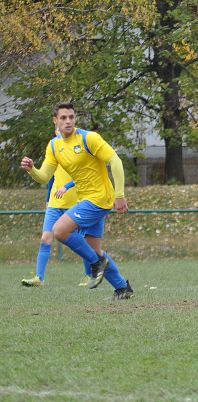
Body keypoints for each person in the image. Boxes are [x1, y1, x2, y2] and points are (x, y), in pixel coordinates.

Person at [20, 103, 134, 299]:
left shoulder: (89, 138)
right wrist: (32, 169)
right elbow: (45, 176)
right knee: (94, 248)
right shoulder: (54, 146)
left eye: (71, 117)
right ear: (55, 121)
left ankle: (96, 264)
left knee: (59, 230)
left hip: (100, 198)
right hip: (87, 198)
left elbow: (115, 160)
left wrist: (119, 195)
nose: (68, 121)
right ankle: (123, 288)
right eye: (63, 118)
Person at [21, 129, 93, 287]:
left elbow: (84, 174)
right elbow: (48, 178)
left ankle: (89, 276)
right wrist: (32, 170)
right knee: (45, 238)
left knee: (82, 240)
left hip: (76, 203)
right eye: (57, 128)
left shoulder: (79, 150)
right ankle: (39, 278)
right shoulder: (53, 151)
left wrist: (67, 186)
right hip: (55, 204)